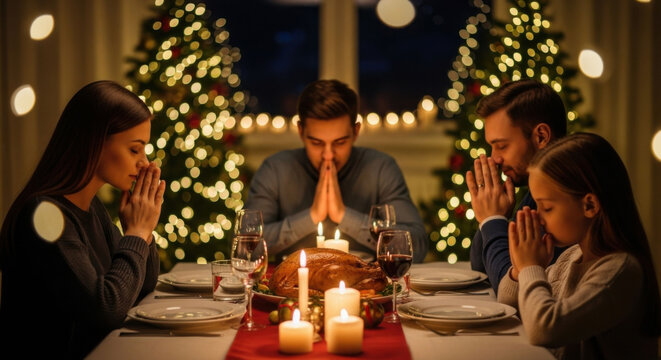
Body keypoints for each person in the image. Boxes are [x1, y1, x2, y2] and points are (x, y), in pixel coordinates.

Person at [0, 81, 165, 358]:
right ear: (95, 142)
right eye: (135, 149)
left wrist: (143, 232)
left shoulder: (92, 207)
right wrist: (136, 234)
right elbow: (105, 311)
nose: (144, 163)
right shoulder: (43, 216)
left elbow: (141, 288)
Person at [498, 132, 660, 359]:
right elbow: (508, 305)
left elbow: (544, 330)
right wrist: (518, 270)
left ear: (590, 205)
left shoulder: (621, 272)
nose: (539, 218)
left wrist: (530, 268)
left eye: (547, 208)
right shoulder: (571, 256)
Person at [245, 79, 427, 262]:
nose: (328, 155)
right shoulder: (275, 169)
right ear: (301, 131)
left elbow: (417, 246)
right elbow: (244, 247)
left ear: (356, 132)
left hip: (366, 287)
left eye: (340, 142)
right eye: (317, 143)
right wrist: (311, 216)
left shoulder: (381, 168)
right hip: (293, 286)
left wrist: (343, 215)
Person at [467, 79, 567, 292]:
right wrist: (490, 217)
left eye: (502, 146)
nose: (495, 159)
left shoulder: (561, 195)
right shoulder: (533, 188)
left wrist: (492, 219)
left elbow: (510, 288)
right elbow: (481, 270)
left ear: (541, 136)